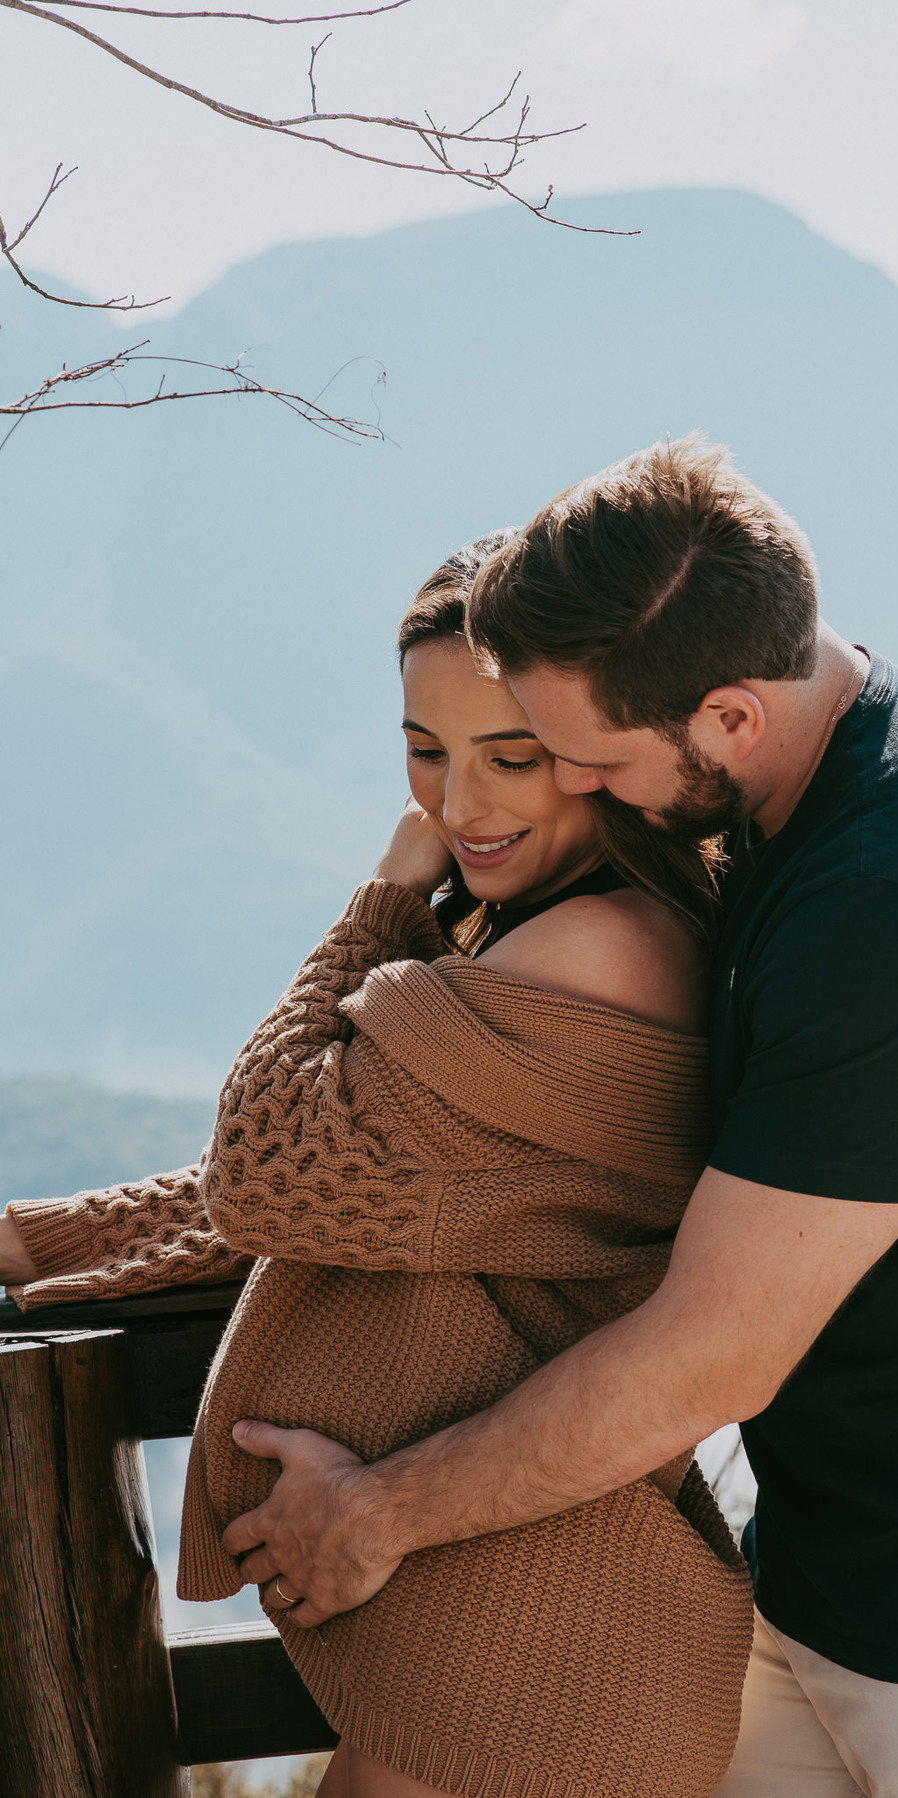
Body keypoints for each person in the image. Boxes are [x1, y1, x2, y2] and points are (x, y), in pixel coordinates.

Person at [189, 437, 898, 1798]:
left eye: (585, 757)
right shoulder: (786, 782)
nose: (576, 789)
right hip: (829, 1584)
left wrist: (377, 1514)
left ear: (727, 715)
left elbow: (712, 1355)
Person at [1, 532, 754, 1798]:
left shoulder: (596, 953)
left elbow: (269, 1165)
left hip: (540, 1652)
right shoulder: (573, 943)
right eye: (425, 751)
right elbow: (357, 1190)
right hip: (519, 1626)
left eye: (510, 757)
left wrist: (379, 905)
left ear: (593, 744)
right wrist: (46, 1242)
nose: (457, 808)